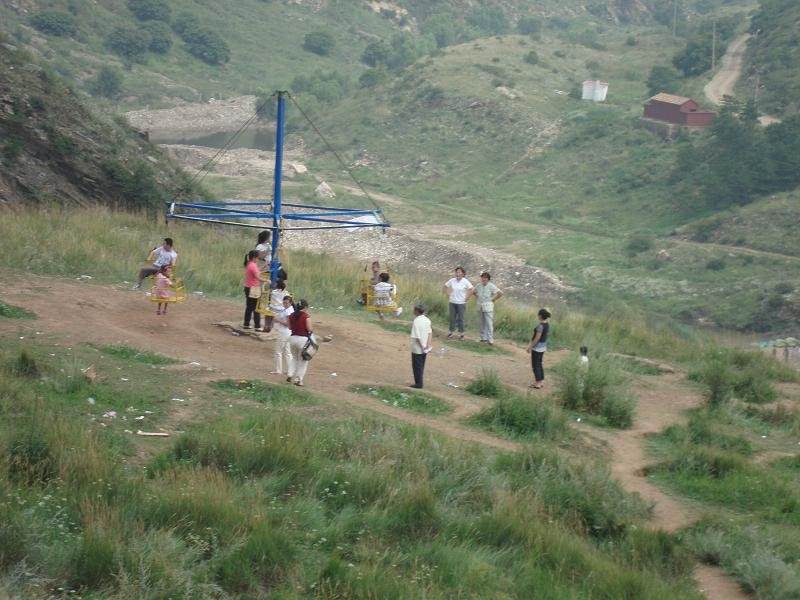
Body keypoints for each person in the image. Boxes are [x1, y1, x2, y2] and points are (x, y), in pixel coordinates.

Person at [472, 271, 503, 344]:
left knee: (489, 323)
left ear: (488, 279)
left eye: (485, 278)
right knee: (481, 323)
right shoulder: (478, 285)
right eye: (482, 277)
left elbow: (500, 293)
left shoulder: (491, 286)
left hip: (488, 306)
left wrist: (494, 299)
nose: (484, 279)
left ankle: (490, 339)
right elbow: (473, 291)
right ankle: (483, 338)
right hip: (480, 306)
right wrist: (477, 297)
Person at [287, 299, 313, 386]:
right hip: (303, 340)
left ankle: (290, 374)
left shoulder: (291, 315)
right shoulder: (306, 316)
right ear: (305, 307)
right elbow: (309, 329)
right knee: (303, 361)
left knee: (294, 358)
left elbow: (290, 327)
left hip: (292, 338)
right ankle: (298, 379)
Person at [443, 267, 473, 340]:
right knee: (452, 318)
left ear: (463, 273)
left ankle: (462, 334)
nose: (458, 274)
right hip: (452, 302)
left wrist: (467, 298)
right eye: (457, 272)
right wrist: (447, 294)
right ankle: (451, 333)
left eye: (460, 272)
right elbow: (445, 286)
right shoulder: (452, 280)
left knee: (461, 319)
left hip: (461, 303)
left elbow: (472, 289)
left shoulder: (465, 281)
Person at [526, 308, 551, 389]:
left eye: (538, 314)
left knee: (535, 365)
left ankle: (538, 383)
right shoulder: (547, 324)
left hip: (537, 348)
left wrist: (530, 347)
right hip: (543, 347)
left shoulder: (540, 326)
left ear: (540, 316)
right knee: (539, 364)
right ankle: (540, 381)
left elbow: (537, 338)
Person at [243, 250, 269, 331]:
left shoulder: (249, 264)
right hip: (253, 289)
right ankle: (257, 326)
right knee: (255, 307)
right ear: (254, 257)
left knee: (249, 307)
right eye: (257, 257)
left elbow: (257, 273)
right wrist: (266, 280)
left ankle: (246, 324)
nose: (258, 259)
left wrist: (265, 266)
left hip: (248, 287)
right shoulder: (253, 265)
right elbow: (258, 277)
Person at [410, 303, 433, 389]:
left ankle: (419, 383)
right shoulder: (427, 320)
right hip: (425, 348)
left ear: (416, 311)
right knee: (421, 365)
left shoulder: (416, 321)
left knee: (416, 366)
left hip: (417, 348)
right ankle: (419, 382)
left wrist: (422, 346)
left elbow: (417, 337)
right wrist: (428, 345)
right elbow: (430, 333)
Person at [271, 294, 294, 375]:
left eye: (286, 303)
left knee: (278, 352)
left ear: (290, 303)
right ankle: (290, 370)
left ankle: (278, 370)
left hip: (283, 333)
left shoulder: (288, 311)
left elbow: (288, 324)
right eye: (284, 303)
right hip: (289, 333)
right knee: (288, 352)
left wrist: (277, 319)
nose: (285, 304)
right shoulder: (290, 310)